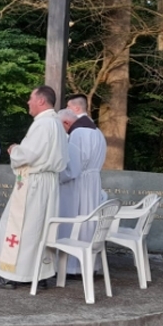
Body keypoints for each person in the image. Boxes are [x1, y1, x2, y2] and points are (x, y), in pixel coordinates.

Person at [0, 86, 68, 290]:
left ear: (41, 101)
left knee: (16, 227)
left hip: (34, 184)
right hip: (48, 184)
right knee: (38, 230)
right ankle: (39, 274)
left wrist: (14, 150)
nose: (28, 103)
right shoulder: (56, 123)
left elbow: (28, 154)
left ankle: (9, 275)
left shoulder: (43, 124)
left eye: (30, 99)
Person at [59, 105, 107, 276]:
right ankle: (90, 265)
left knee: (74, 221)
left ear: (66, 122)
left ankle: (72, 267)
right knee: (89, 224)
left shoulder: (77, 134)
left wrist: (58, 176)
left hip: (77, 185)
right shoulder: (98, 132)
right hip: (93, 183)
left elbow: (72, 167)